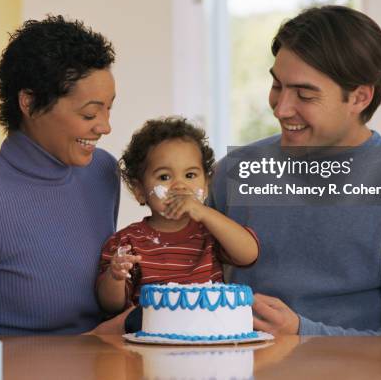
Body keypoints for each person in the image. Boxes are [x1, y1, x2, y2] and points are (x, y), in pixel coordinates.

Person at [209, 5, 381, 337]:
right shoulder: (236, 172)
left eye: (304, 94)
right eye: (277, 86)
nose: (282, 108)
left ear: (359, 97)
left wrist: (302, 334)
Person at [0, 15, 122, 335]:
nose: (104, 126)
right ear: (29, 103)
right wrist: (90, 344)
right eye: (89, 113)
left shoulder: (102, 172)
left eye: (108, 109)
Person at [96, 117, 259, 326]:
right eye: (164, 177)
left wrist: (205, 213)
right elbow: (110, 306)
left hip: (209, 336)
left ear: (207, 185)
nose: (180, 186)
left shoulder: (210, 231)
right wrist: (115, 276)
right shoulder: (127, 243)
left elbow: (248, 254)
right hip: (151, 343)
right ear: (139, 191)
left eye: (190, 175)